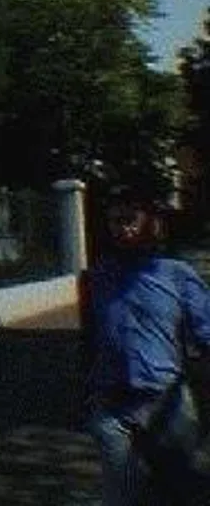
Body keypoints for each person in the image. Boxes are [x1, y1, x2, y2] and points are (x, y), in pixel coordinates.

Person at [84, 181, 210, 504]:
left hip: (168, 403)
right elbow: (90, 338)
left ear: (150, 223)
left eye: (130, 219)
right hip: (113, 406)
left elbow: (206, 331)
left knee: (184, 491)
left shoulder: (176, 274)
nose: (123, 229)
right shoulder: (97, 276)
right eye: (115, 221)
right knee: (122, 496)